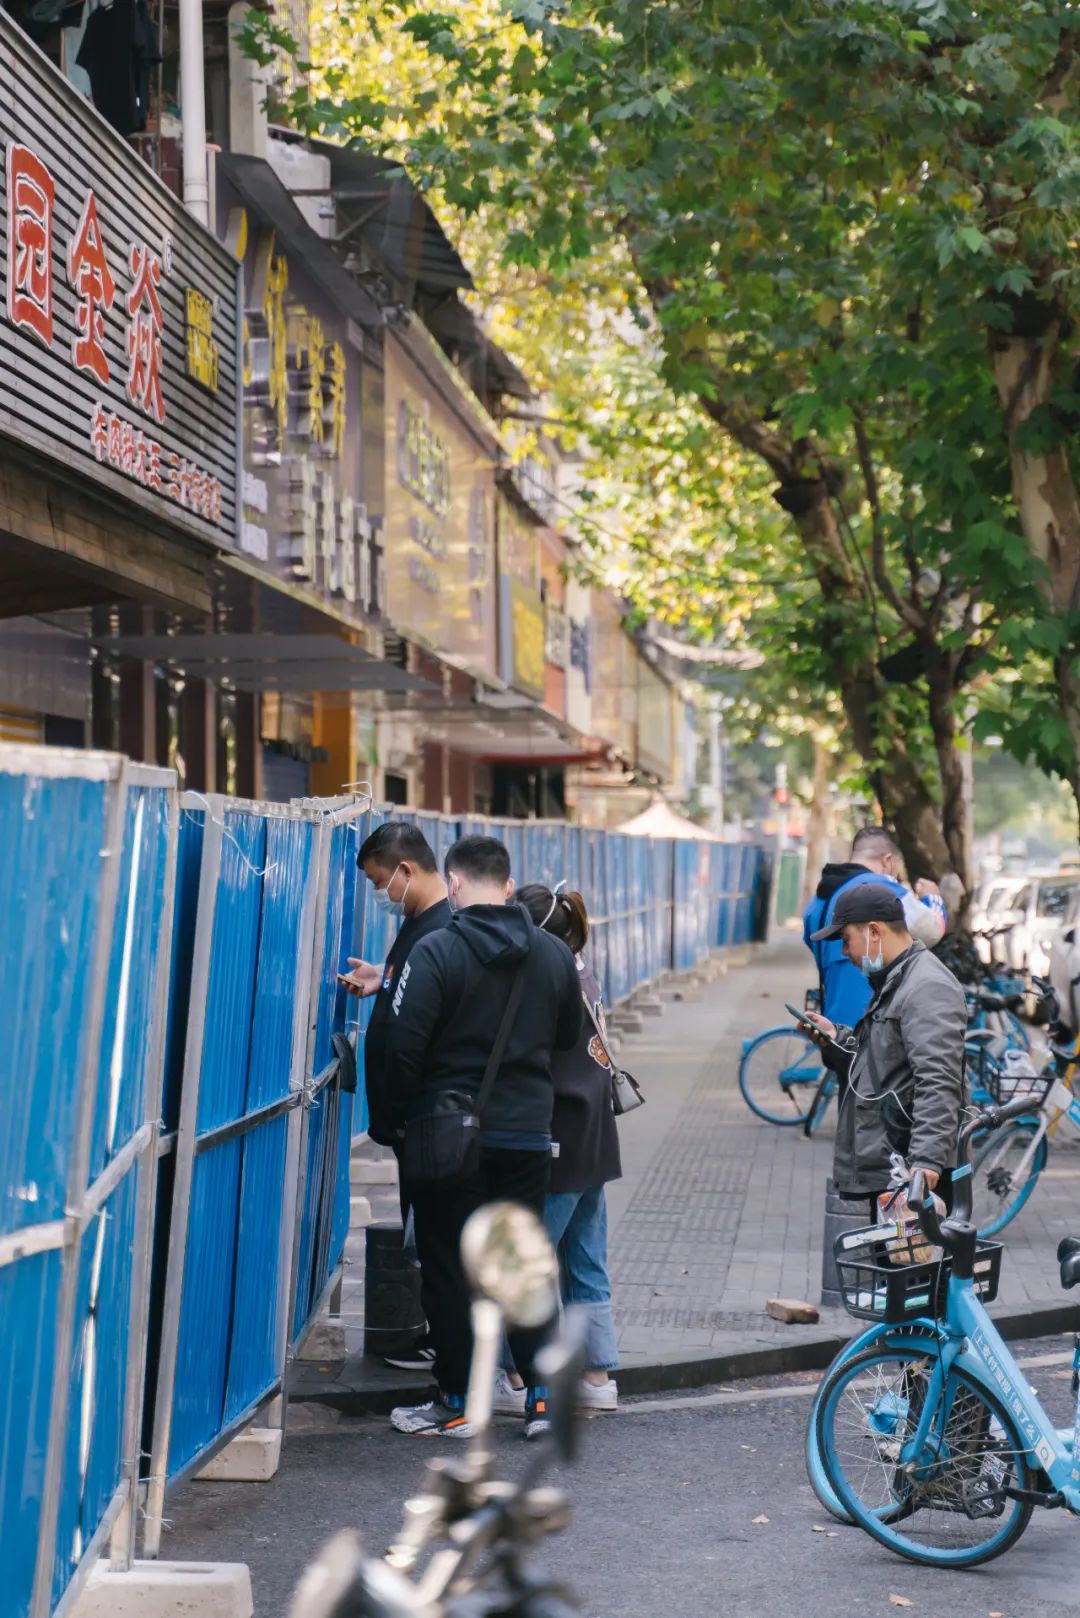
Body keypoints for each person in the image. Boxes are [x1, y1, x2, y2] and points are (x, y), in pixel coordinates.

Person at [384, 836, 583, 1440]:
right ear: (506, 880)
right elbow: (568, 1034)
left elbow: (402, 1048)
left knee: (448, 1267)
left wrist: (401, 1118)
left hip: (450, 1140)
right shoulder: (552, 954)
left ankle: (459, 1400)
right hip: (526, 1136)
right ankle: (544, 1402)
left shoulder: (438, 950)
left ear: (454, 882)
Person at [340, 821, 451, 1371]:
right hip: (411, 1123)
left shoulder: (441, 927)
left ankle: (441, 1346)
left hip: (424, 1122)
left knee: (431, 1236)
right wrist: (383, 978)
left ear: (406, 871)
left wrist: (406, 1112)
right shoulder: (420, 924)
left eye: (380, 881)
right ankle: (436, 1337)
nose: (380, 894)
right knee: (421, 1230)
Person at [515, 883, 621, 1412]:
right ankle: (598, 1378)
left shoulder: (546, 977)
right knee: (585, 1257)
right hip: (596, 1133)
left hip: (559, 1134)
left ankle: (515, 1375)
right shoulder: (583, 969)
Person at [806, 883, 967, 1219]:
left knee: (914, 1271)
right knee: (887, 1270)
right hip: (891, 1166)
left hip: (910, 1174)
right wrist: (838, 1038)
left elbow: (939, 1081)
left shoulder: (926, 986)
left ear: (874, 932)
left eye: (846, 940)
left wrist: (925, 1162)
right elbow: (883, 1065)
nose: (845, 952)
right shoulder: (896, 979)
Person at [803, 825, 947, 1029]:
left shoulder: (819, 900)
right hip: (871, 1020)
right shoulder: (879, 888)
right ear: (888, 861)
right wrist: (932, 898)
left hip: (834, 1018)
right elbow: (931, 929)